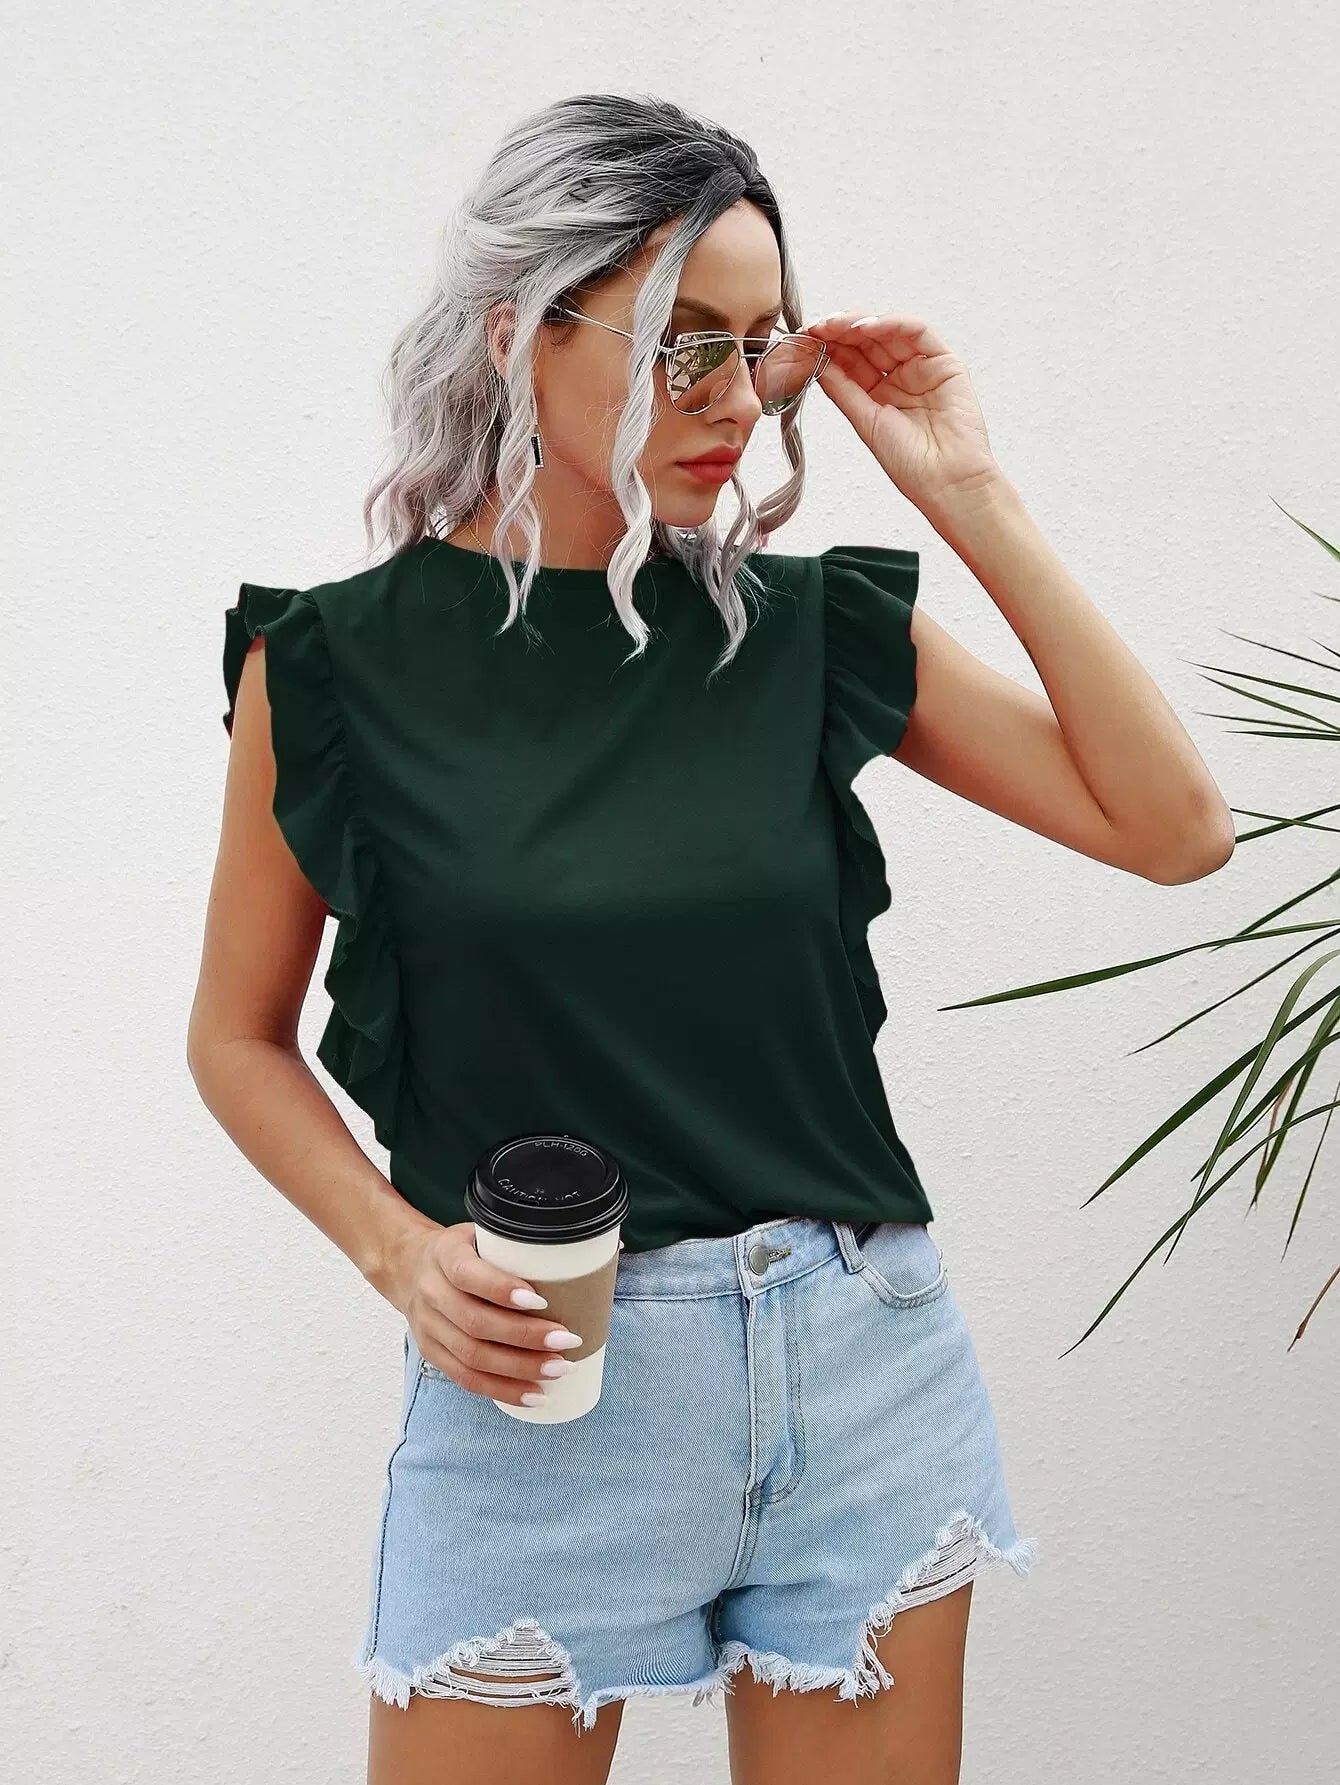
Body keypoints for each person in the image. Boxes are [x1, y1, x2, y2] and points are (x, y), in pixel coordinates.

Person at [187, 92, 1235, 1785]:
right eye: (685, 346)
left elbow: (1175, 830)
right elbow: (235, 1035)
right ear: (516, 331)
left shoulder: (805, 632)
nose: (739, 402)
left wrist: (969, 488)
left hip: (860, 1367)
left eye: (761, 349)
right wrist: (399, 1253)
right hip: (539, 1396)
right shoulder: (328, 670)